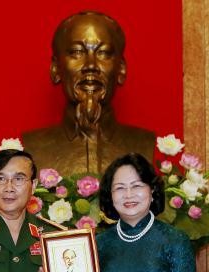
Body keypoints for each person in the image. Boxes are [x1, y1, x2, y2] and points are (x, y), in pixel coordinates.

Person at [22, 11, 155, 176]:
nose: (91, 65)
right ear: (55, 68)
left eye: (103, 53)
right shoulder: (31, 147)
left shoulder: (147, 145)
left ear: (121, 69)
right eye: (77, 52)